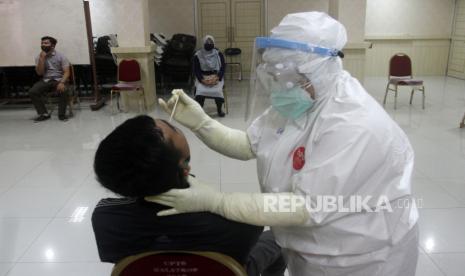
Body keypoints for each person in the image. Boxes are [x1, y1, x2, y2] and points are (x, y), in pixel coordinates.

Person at [149, 11, 419, 276]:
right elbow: (248, 144)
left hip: (359, 257)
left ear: (319, 71)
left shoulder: (354, 124)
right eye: (274, 76)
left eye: (286, 77)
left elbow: (304, 207)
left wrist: (218, 202)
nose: (279, 86)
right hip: (305, 245)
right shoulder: (299, 97)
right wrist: (202, 124)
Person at [91, 115, 286, 276]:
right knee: (280, 239)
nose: (162, 120)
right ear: (184, 167)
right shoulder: (242, 225)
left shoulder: (106, 220)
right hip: (226, 270)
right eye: (165, 128)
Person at [29, 36, 71, 122]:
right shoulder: (39, 57)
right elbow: (40, 73)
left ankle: (61, 114)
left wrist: (62, 82)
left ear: (53, 46)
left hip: (59, 79)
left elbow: (67, 72)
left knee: (64, 90)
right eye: (42, 43)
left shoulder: (61, 56)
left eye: (46, 43)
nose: (43, 45)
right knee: (33, 91)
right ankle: (43, 114)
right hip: (46, 80)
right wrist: (42, 59)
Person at [193, 35, 226, 117]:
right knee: (200, 92)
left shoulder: (218, 54)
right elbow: (196, 69)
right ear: (203, 43)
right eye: (207, 42)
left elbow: (223, 67)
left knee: (218, 91)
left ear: (214, 43)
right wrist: (203, 80)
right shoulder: (198, 55)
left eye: (211, 42)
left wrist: (217, 77)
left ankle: (219, 110)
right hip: (203, 77)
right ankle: (200, 111)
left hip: (216, 76)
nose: (209, 44)